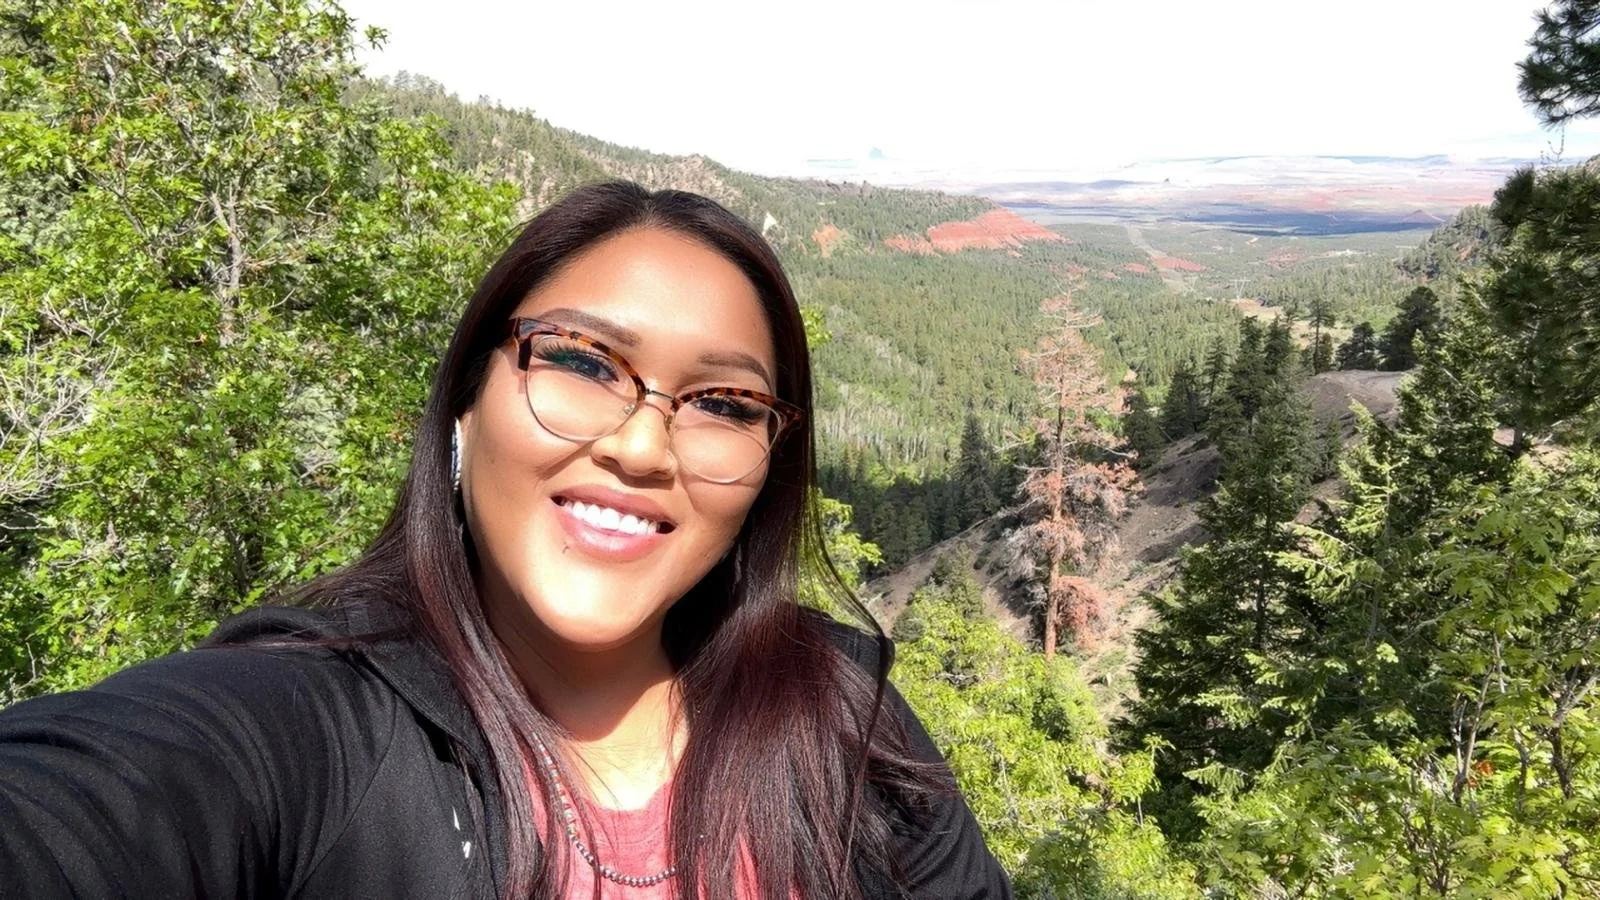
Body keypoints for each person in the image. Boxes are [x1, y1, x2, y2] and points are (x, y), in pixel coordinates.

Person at [0, 181, 1012, 898]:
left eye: (722, 401)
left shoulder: (839, 714)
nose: (641, 444)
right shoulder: (313, 732)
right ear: (465, 404)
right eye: (581, 360)